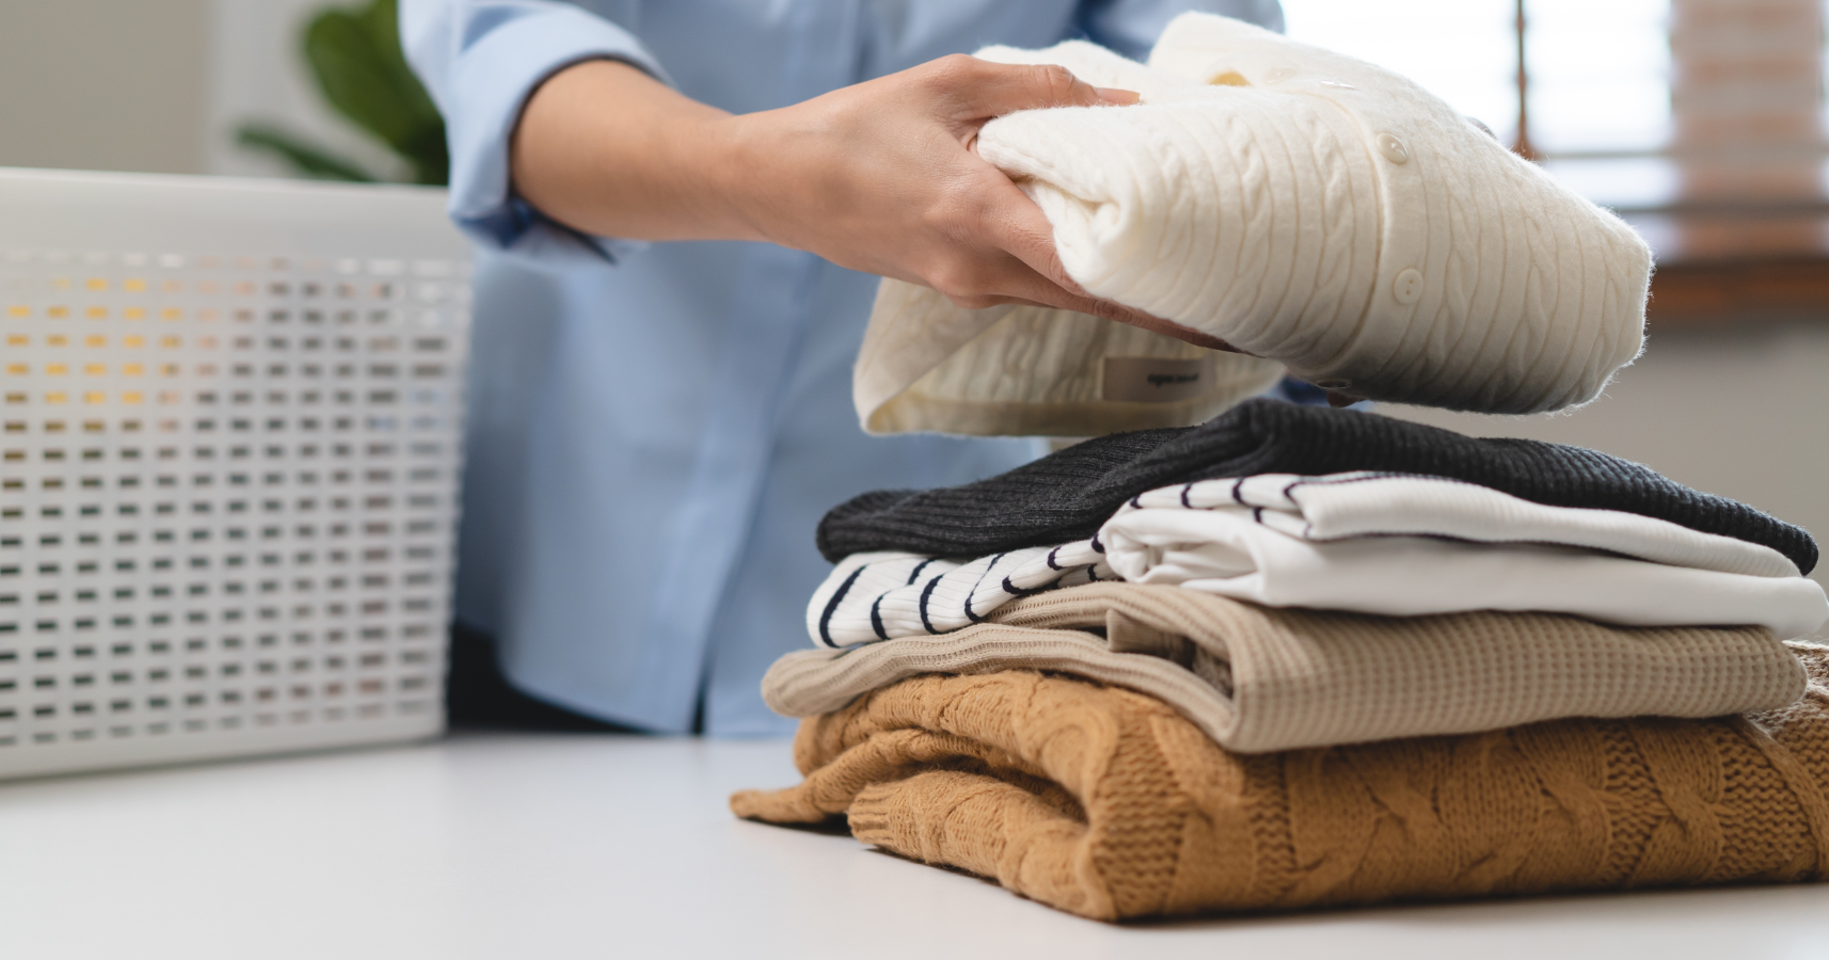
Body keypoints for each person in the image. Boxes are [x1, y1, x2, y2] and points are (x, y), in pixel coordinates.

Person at [401, 0, 1286, 735]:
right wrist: (784, 176)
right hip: (543, 557)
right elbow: (511, 63)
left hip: (897, 612)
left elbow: (1193, 109)